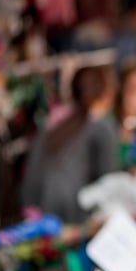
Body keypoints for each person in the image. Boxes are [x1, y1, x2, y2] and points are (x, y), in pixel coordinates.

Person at [21, 64, 120, 224]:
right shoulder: (101, 128)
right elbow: (109, 182)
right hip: (77, 219)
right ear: (105, 92)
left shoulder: (52, 126)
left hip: (44, 218)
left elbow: (30, 183)